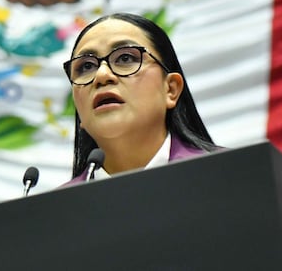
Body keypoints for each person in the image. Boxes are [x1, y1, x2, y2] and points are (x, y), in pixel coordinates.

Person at [63, 12, 219, 184]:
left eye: (125, 58)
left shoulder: (233, 175)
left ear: (171, 89)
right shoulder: (58, 201)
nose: (102, 75)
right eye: (86, 66)